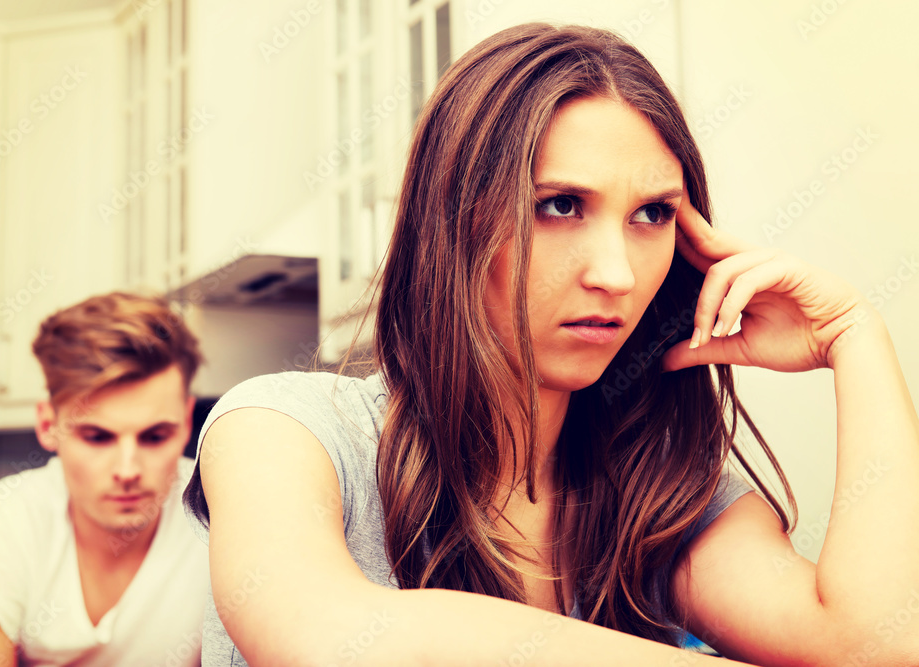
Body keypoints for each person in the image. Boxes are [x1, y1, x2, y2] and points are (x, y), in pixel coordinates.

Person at [183, 23, 919, 666]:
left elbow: (874, 645)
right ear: (454, 221)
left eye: (652, 215)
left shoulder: (661, 496)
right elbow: (328, 641)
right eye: (560, 206)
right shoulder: (287, 429)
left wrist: (854, 335)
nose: (616, 274)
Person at [0, 292, 209, 666]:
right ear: (47, 425)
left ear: (185, 421)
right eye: (97, 437)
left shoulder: (221, 513)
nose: (128, 471)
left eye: (155, 437)